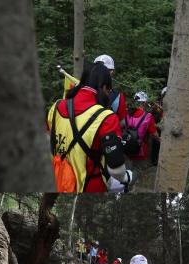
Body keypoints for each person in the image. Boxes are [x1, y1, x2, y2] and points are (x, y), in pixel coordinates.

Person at [46, 62, 137, 192]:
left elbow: (52, 138)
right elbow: (116, 170)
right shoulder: (106, 118)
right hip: (89, 187)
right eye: (109, 90)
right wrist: (128, 176)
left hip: (59, 180)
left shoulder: (56, 107)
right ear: (105, 87)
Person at [123, 91, 160, 165]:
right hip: (140, 151)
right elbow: (155, 134)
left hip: (126, 148)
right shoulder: (148, 117)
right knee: (138, 172)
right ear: (144, 103)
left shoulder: (126, 113)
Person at [94, 55, 127, 127]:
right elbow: (122, 123)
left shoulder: (83, 90)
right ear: (112, 72)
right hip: (107, 134)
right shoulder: (118, 96)